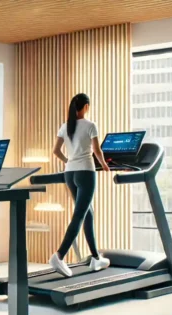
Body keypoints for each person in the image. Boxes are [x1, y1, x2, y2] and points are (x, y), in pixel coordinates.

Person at [49, 93, 112, 278]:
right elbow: (97, 150)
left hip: (70, 173)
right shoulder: (90, 125)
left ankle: (95, 257)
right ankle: (59, 255)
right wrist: (105, 165)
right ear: (85, 106)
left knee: (87, 213)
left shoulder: (65, 126)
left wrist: (68, 161)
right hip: (86, 172)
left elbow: (55, 151)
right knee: (79, 215)